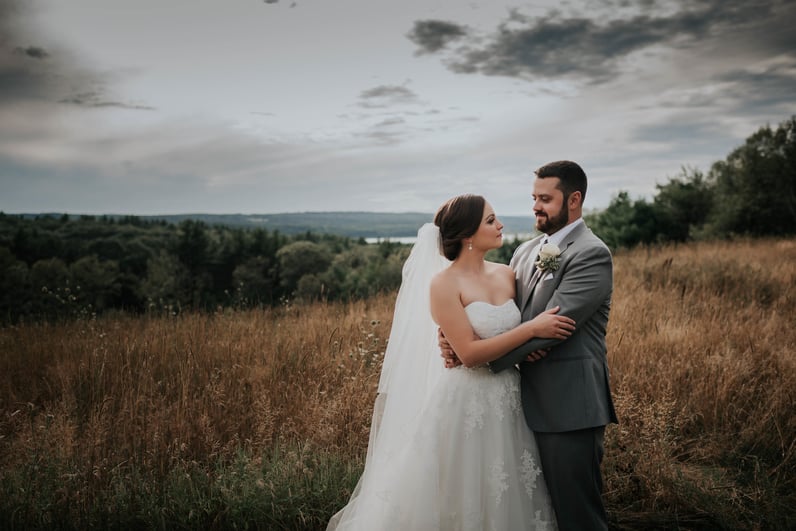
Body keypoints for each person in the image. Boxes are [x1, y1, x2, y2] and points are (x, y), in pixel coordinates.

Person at [327, 194, 574, 530]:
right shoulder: (443, 284)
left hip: (510, 396)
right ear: (467, 235)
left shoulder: (506, 274)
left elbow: (511, 335)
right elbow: (469, 355)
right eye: (490, 220)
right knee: (460, 489)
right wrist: (532, 329)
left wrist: (527, 344)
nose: (500, 225)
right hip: (465, 399)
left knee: (508, 485)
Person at [442, 161, 619, 530]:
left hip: (569, 406)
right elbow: (505, 315)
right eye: (533, 198)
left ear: (574, 200)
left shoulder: (591, 254)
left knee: (577, 514)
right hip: (519, 406)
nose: (536, 206)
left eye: (545, 199)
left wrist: (470, 354)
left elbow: (553, 328)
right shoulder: (524, 252)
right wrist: (455, 338)